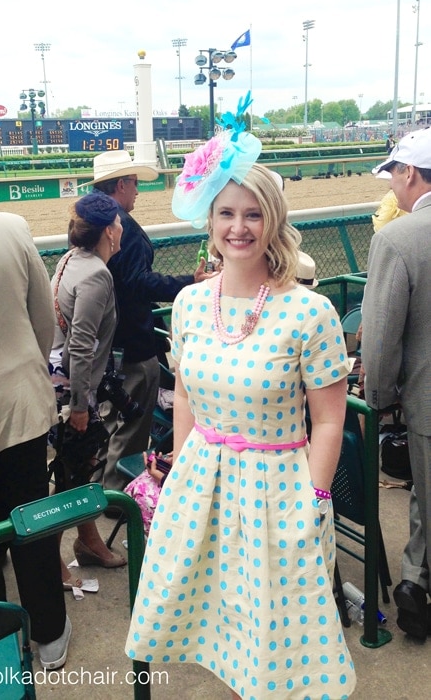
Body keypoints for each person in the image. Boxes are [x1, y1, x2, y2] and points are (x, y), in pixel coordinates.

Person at [125, 95, 356, 699]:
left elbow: (329, 419)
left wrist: (314, 497)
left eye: (253, 214)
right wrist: (176, 474)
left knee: (280, 646)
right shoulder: (190, 304)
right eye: (226, 212)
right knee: (223, 633)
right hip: (204, 482)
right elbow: (187, 400)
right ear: (210, 219)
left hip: (279, 490)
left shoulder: (311, 312)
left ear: (273, 221)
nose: (238, 228)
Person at [0, 170, 71, 670]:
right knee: (31, 524)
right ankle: (49, 634)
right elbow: (43, 320)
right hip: (21, 405)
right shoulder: (9, 226)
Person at [83, 150, 215, 500]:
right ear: (122, 184)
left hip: (102, 342)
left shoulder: (89, 220)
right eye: (136, 184)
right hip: (131, 344)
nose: (138, 191)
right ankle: (119, 500)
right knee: (131, 426)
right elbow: (138, 283)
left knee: (110, 424)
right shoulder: (121, 226)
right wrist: (190, 283)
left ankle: (97, 491)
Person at [362, 127, 431, 640]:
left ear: (410, 173)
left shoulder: (397, 237)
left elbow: (382, 338)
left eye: (394, 176)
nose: (393, 188)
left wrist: (378, 399)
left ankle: (415, 584)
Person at [49, 191, 126, 583]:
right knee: (74, 476)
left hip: (61, 385)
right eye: (118, 224)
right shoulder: (97, 273)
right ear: (109, 232)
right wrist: (81, 405)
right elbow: (82, 344)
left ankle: (88, 540)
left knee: (76, 470)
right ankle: (52, 555)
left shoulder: (69, 260)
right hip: (76, 395)